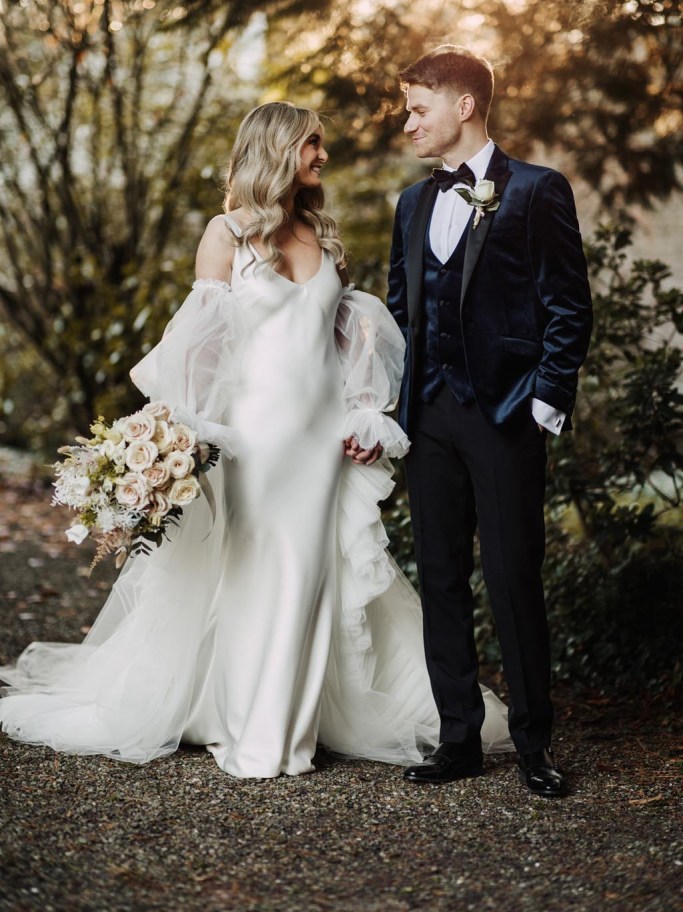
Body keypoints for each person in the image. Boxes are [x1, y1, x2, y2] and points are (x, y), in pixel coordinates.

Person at [0, 101, 513, 779]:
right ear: (275, 148)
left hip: (320, 439)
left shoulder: (322, 236)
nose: (322, 156)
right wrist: (183, 436)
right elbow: (199, 350)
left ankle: (287, 725)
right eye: (311, 144)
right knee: (255, 574)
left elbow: (347, 341)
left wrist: (364, 416)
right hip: (254, 439)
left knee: (308, 574)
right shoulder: (226, 234)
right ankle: (249, 726)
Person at [387, 47, 593, 797]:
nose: (407, 121)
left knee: (511, 578)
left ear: (463, 106)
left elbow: (568, 305)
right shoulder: (411, 204)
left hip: (505, 415)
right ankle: (459, 741)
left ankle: (535, 745)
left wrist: (544, 401)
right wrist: (389, 407)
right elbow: (401, 313)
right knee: (439, 577)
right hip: (429, 417)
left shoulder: (536, 190)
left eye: (417, 106)